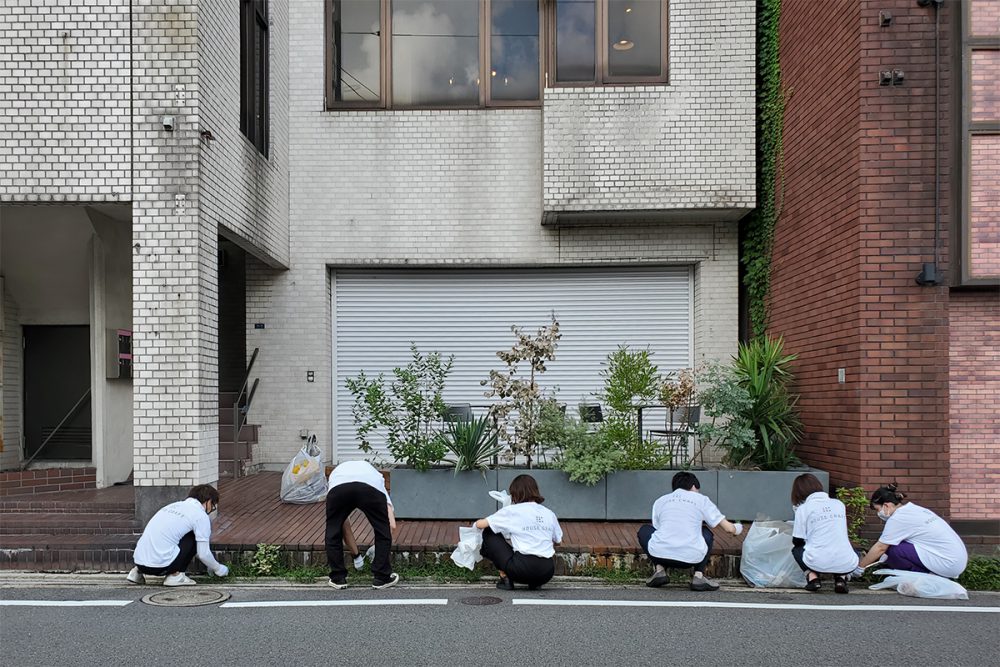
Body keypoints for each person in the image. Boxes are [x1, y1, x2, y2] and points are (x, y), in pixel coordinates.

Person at [637, 471, 743, 591]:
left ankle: (660, 570)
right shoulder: (701, 500)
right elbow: (729, 529)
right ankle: (698, 575)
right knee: (706, 532)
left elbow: (658, 528)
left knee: (644, 530)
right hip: (691, 558)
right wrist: (738, 528)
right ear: (693, 486)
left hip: (660, 555)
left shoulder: (661, 501)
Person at [856, 483, 967, 579]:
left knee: (892, 550)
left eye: (877, 509)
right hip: (957, 560)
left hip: (948, 564)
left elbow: (881, 548)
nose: (878, 514)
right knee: (894, 546)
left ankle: (927, 576)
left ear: (886, 505)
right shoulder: (914, 509)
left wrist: (860, 567)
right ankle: (932, 573)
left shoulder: (898, 518)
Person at [127, 484, 229, 586]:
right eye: (213, 506)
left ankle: (136, 573)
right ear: (209, 501)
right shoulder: (200, 515)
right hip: (162, 567)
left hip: (140, 563)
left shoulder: (172, 506)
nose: (211, 509)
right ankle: (175, 576)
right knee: (194, 535)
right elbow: (203, 553)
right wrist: (219, 569)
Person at [474, 474, 562, 591]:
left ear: (515, 493)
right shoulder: (549, 513)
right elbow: (558, 541)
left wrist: (475, 524)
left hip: (521, 570)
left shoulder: (512, 511)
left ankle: (505, 577)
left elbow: (481, 524)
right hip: (547, 572)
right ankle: (535, 583)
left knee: (489, 532)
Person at [326, 460, 399, 590]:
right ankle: (381, 578)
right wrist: (377, 549)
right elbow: (391, 525)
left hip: (339, 489)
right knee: (382, 529)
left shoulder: (335, 476)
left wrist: (357, 556)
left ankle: (338, 578)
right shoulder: (377, 479)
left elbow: (343, 525)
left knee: (333, 530)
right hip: (369, 489)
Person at [790, 473, 859, 594]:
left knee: (797, 549)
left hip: (817, 560)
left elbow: (797, 539)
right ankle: (840, 580)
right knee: (840, 545)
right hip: (846, 561)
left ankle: (813, 578)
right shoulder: (839, 504)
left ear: (799, 492)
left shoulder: (803, 508)